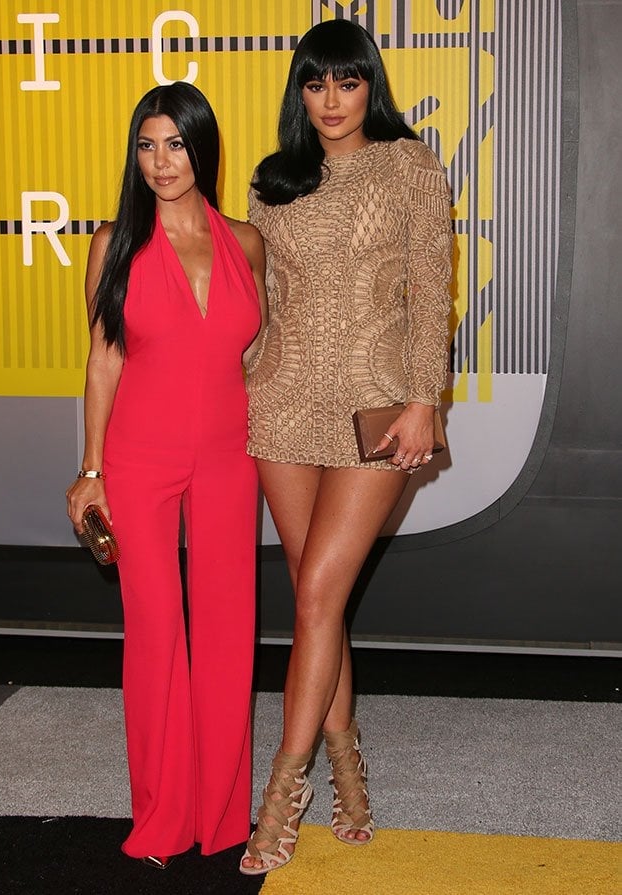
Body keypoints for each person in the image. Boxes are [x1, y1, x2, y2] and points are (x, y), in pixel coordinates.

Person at [239, 19, 453, 875]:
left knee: (320, 593)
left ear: (372, 86)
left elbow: (432, 283)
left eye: (347, 82)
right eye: (316, 84)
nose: (331, 101)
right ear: (299, 92)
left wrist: (424, 400)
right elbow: (257, 298)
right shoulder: (274, 181)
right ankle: (351, 775)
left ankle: (282, 795)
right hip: (281, 402)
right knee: (312, 599)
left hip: (375, 407)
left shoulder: (409, 164)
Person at [65, 82, 267, 868]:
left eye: (174, 144)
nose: (160, 161)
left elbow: (253, 355)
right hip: (139, 456)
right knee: (155, 632)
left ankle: (221, 817)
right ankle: (161, 817)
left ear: (201, 148)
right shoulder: (114, 242)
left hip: (229, 453)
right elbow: (103, 358)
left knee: (226, 631)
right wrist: (89, 468)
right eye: (146, 146)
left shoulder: (247, 241)